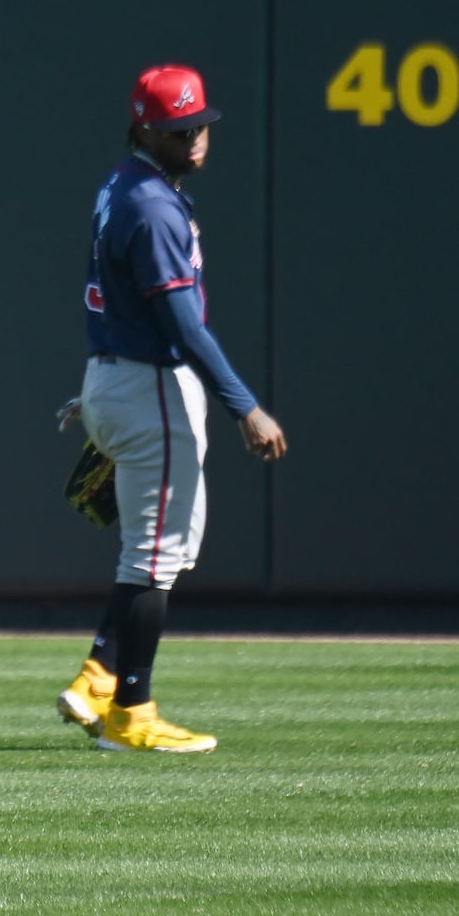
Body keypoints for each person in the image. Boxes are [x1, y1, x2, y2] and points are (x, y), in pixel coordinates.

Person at [55, 66, 286, 753]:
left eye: (200, 126)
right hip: (149, 383)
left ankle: (100, 675)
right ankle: (132, 712)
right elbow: (184, 326)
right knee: (155, 556)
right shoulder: (154, 205)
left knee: (150, 552)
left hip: (116, 376)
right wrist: (246, 407)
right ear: (144, 129)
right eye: (179, 129)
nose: (195, 139)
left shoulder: (123, 184)